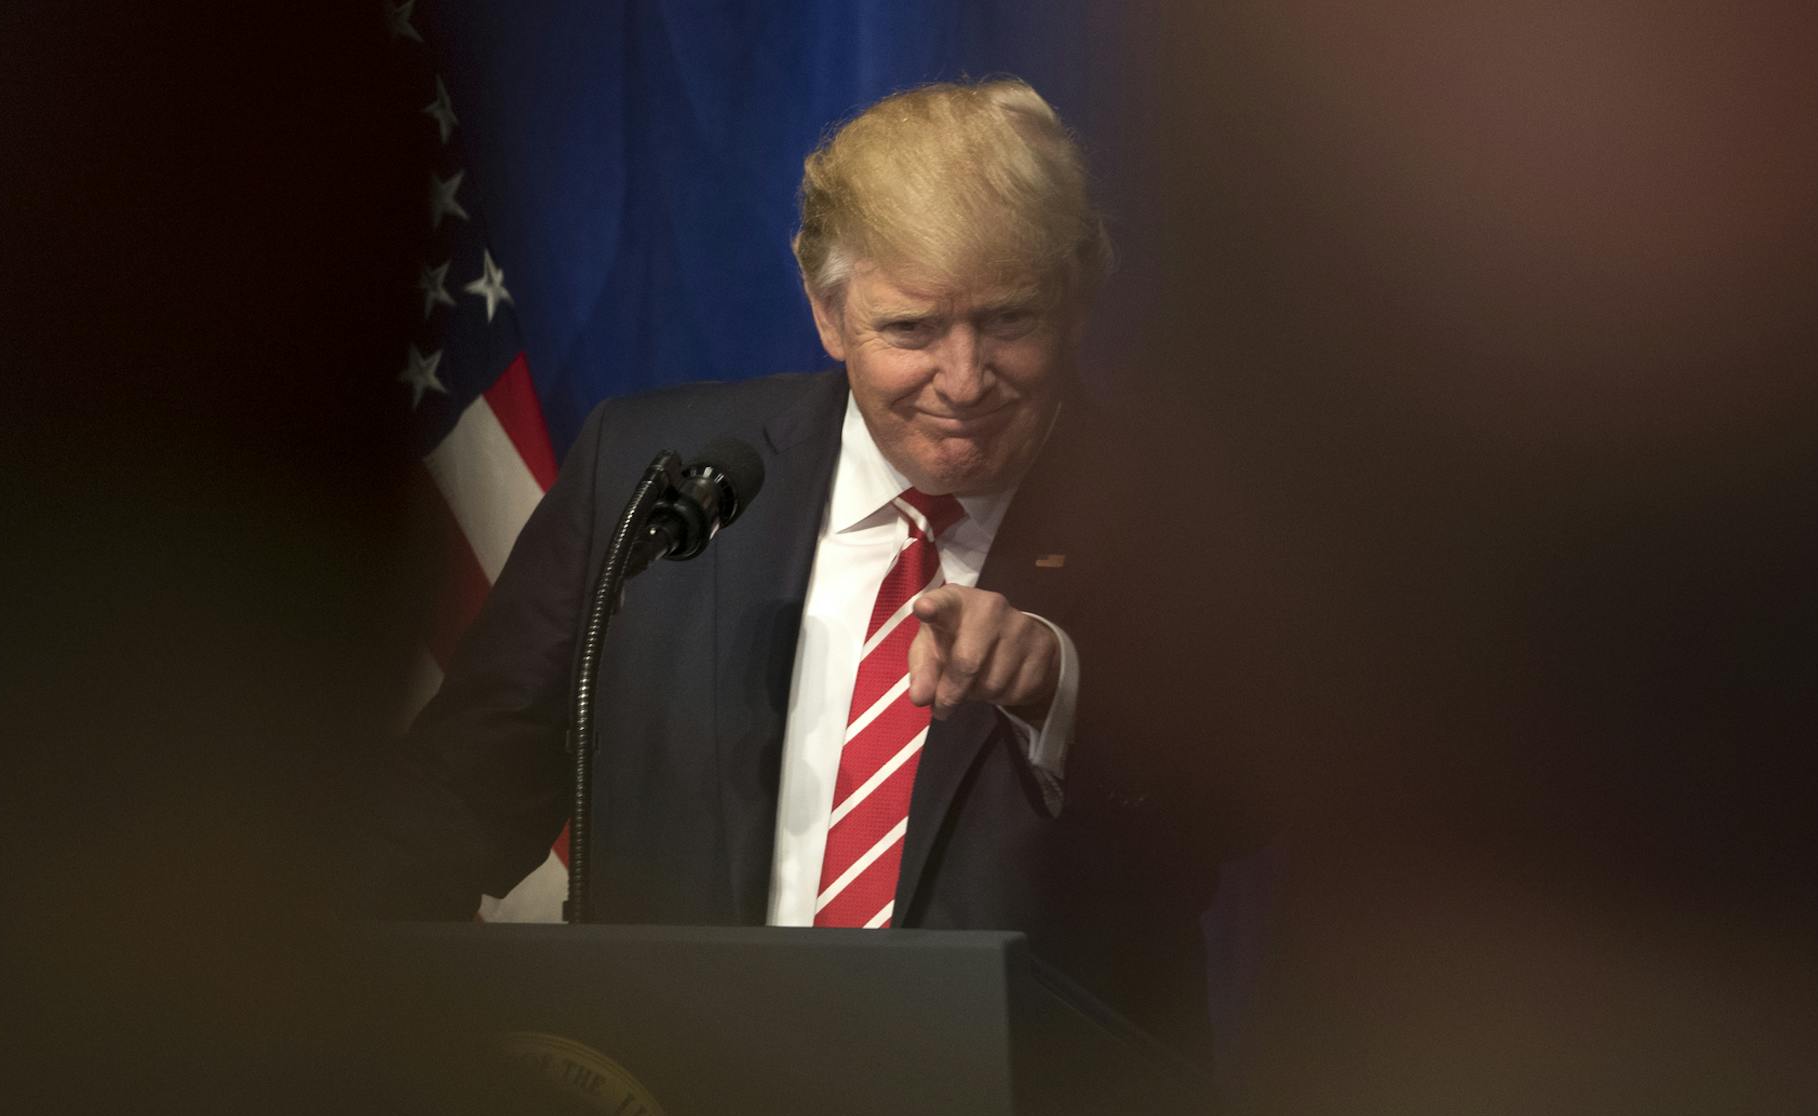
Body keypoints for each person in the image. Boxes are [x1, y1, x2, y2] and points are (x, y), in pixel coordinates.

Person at [361, 79, 1213, 1056]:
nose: (966, 378)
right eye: (913, 329)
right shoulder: (651, 478)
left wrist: (1063, 688)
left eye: (1010, 321)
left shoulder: (1182, 523)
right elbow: (453, 801)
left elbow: (1228, 829)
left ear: (1076, 300)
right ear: (827, 309)